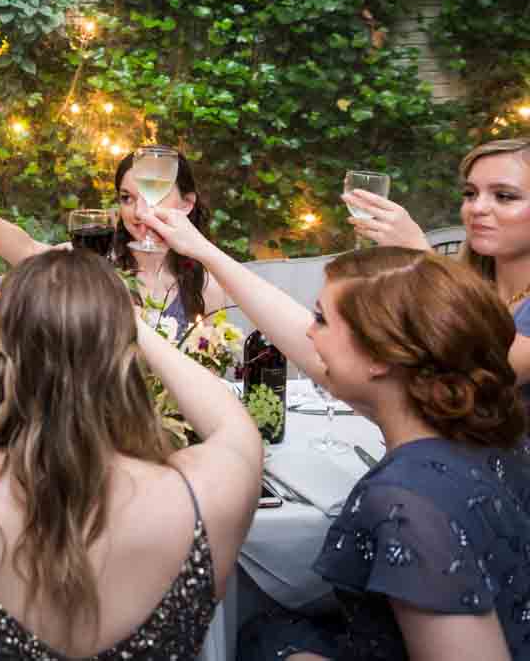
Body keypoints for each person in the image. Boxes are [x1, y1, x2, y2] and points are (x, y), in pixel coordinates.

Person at [142, 207, 530, 660]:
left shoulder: (410, 506)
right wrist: (199, 255)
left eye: (322, 320)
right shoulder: (467, 429)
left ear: (382, 358)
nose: (309, 332)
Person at [0, 249, 263, 658]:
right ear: (125, 355)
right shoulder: (207, 494)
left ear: (0, 356)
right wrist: (131, 323)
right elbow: (235, 427)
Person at [0, 148, 229, 333]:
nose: (139, 211)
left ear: (187, 203)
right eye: (127, 198)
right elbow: (27, 250)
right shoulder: (97, 260)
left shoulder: (206, 286)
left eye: (154, 194)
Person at [347, 137, 530, 382]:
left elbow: (498, 371)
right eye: (470, 193)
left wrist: (423, 257)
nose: (476, 208)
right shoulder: (471, 282)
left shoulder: (449, 286)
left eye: (504, 196)